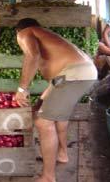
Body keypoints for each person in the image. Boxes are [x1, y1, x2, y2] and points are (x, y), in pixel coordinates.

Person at [14, 18, 97, 182]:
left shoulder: (25, 33)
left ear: (19, 31)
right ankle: (63, 153)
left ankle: (48, 177)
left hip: (73, 74)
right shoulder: (46, 35)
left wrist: (22, 89)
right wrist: (41, 100)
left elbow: (33, 55)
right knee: (48, 110)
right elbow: (54, 80)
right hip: (77, 73)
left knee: (43, 122)